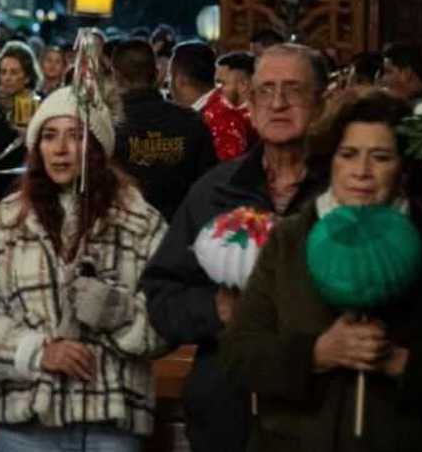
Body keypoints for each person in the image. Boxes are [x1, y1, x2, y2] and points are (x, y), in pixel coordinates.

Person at [220, 90, 422, 450]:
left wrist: (401, 363)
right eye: (349, 154)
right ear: (331, 161)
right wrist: (316, 353)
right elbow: (239, 354)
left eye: (381, 157)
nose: (362, 172)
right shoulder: (290, 239)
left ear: (404, 168)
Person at [0, 85, 170, 451]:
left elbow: (169, 318)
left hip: (110, 423)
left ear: (97, 148)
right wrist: (36, 351)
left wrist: (116, 312)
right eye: (49, 136)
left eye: (76, 135)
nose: (61, 148)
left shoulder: (139, 222)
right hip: (29, 423)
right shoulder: (7, 223)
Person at [139, 43, 330, 452]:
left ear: (320, 103)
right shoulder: (215, 189)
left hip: (320, 414)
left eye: (294, 90)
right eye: (266, 90)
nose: (278, 103)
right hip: (227, 415)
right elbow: (161, 296)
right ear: (251, 104)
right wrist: (216, 309)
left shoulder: (344, 191)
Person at [112, 39, 217, 220]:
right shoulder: (192, 122)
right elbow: (209, 186)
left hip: (128, 229)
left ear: (116, 76)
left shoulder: (107, 126)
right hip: (183, 228)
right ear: (157, 74)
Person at [0, 40, 42, 201]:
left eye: (14, 72)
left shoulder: (39, 105)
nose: (7, 78)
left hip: (25, 181)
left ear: (27, 77)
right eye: (3, 72)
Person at [202, 51, 257, 161]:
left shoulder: (265, 117)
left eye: (222, 83)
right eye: (216, 83)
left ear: (243, 85)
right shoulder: (215, 105)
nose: (217, 89)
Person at [168, 40, 217, 110]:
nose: (168, 87)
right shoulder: (226, 104)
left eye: (170, 76)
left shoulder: (200, 115)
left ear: (181, 80)